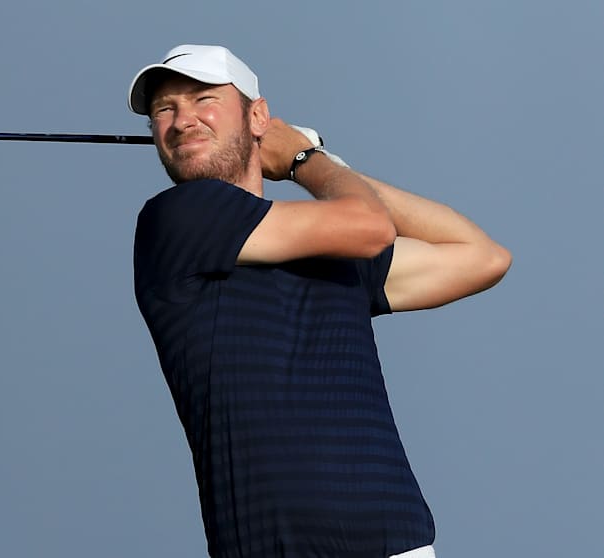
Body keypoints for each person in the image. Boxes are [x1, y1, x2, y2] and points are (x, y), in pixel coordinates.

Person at [129, 44, 511, 558]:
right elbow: (371, 226)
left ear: (257, 115)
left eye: (203, 99)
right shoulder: (177, 218)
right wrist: (306, 161)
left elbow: (482, 256)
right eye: (164, 110)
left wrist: (310, 162)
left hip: (401, 544)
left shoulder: (337, 248)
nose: (182, 120)